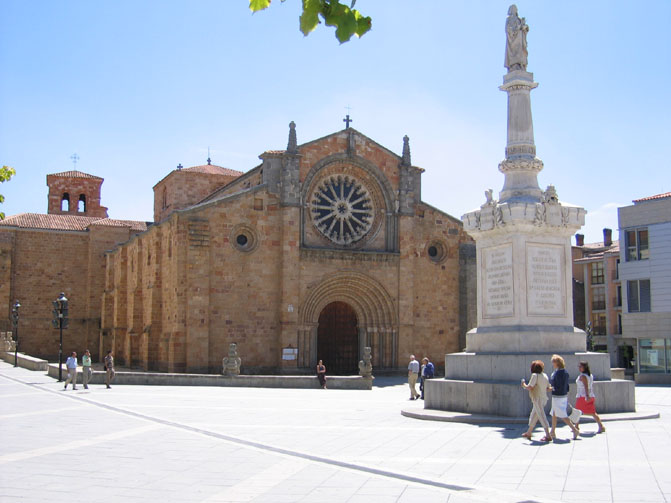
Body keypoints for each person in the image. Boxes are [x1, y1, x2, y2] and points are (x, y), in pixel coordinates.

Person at [549, 354, 580, 440]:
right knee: (554, 414)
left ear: (557, 363)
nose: (552, 363)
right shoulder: (563, 372)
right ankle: (552, 431)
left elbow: (559, 385)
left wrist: (551, 388)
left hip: (558, 395)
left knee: (562, 414)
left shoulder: (559, 373)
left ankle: (574, 429)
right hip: (560, 395)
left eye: (553, 362)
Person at [521, 360, 553, 442]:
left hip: (537, 398)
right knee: (534, 415)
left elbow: (530, 387)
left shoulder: (535, 375)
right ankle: (529, 432)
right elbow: (548, 388)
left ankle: (548, 435)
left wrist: (523, 384)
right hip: (543, 398)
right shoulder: (544, 375)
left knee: (541, 416)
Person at [573, 361, 606, 433]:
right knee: (591, 412)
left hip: (583, 396)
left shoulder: (583, 376)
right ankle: (576, 426)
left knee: (579, 412)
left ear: (584, 367)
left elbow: (586, 386)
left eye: (580, 366)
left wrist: (587, 396)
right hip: (588, 395)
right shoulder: (589, 375)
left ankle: (576, 426)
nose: (579, 368)